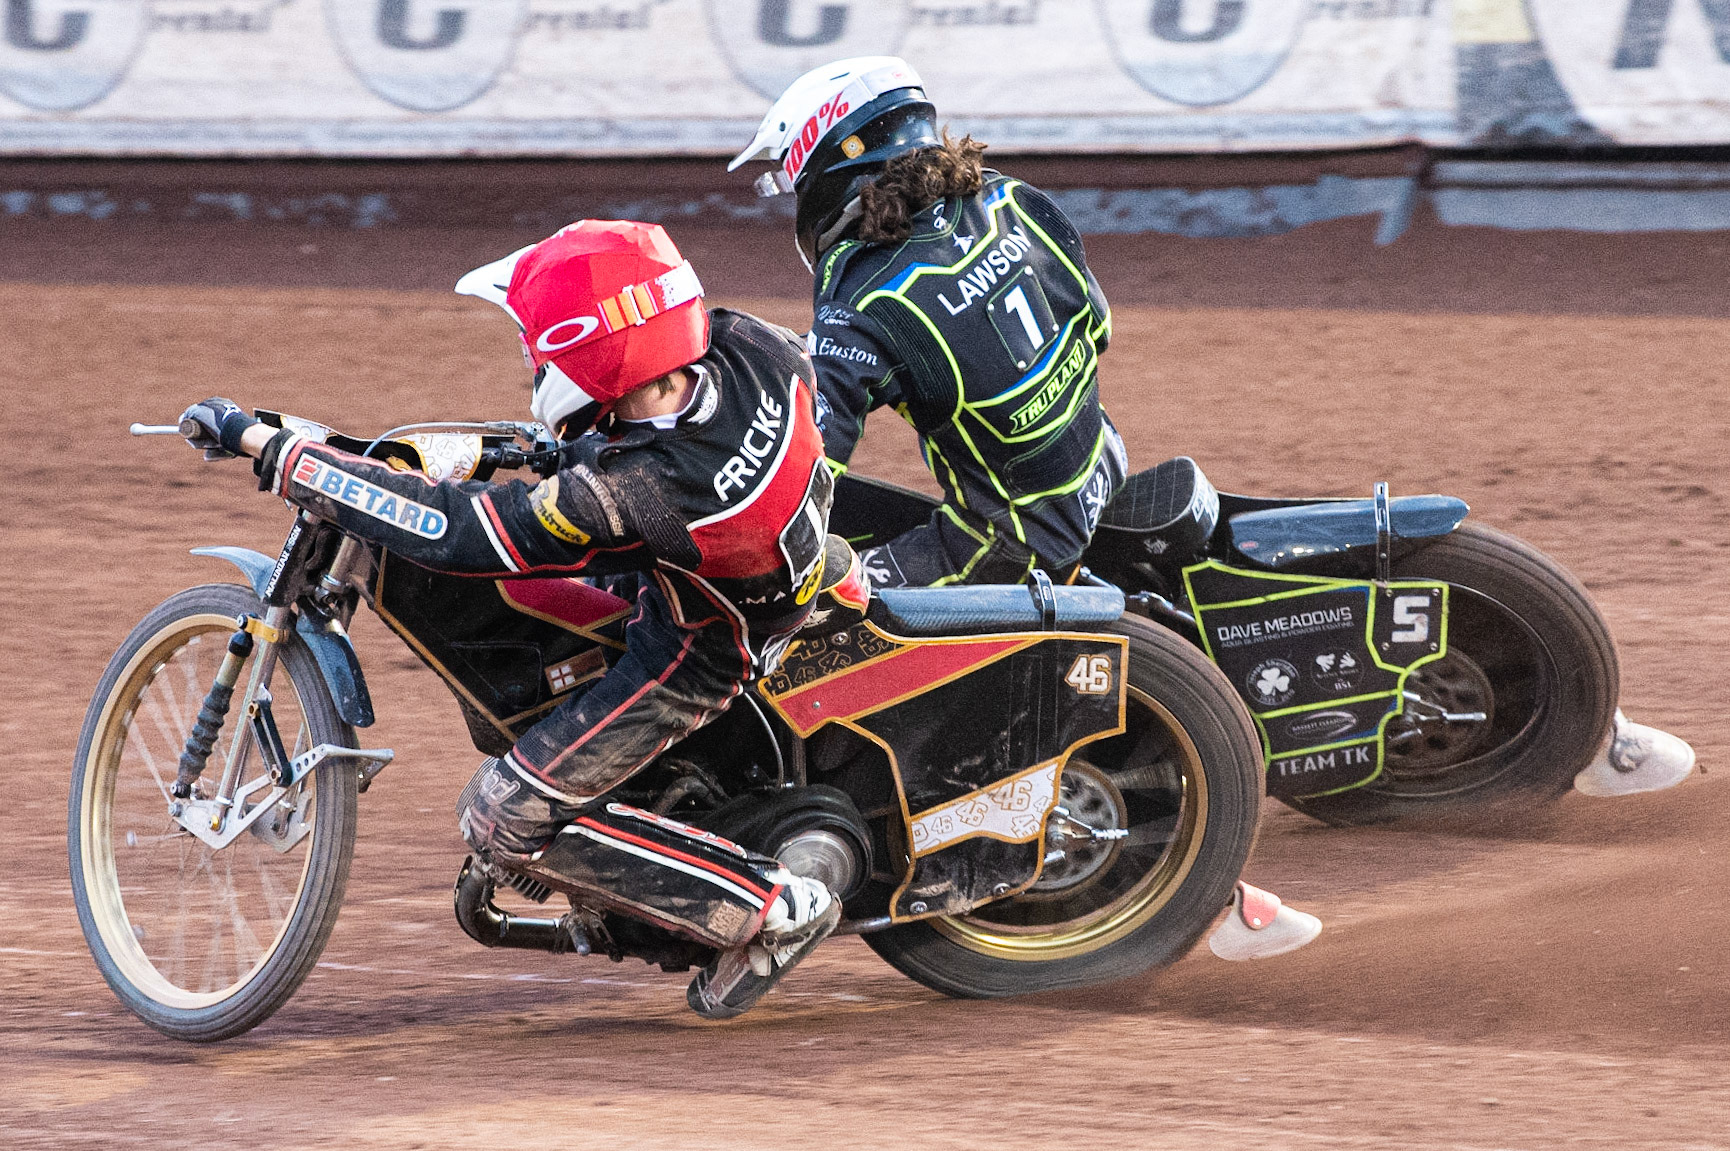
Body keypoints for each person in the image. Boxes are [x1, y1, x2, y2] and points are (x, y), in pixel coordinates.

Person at [179, 220, 840, 1019]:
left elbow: (456, 532)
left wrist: (276, 450)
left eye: (542, 351)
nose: (536, 365)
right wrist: (569, 449)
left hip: (697, 647)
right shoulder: (751, 348)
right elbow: (599, 455)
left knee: (500, 816)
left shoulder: (641, 491)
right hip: (770, 549)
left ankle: (773, 908)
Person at [729, 56, 1127, 588]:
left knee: (813, 608)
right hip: (1103, 460)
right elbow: (1096, 324)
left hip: (1007, 542)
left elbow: (810, 468)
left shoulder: (865, 295)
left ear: (827, 170)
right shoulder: (1016, 198)